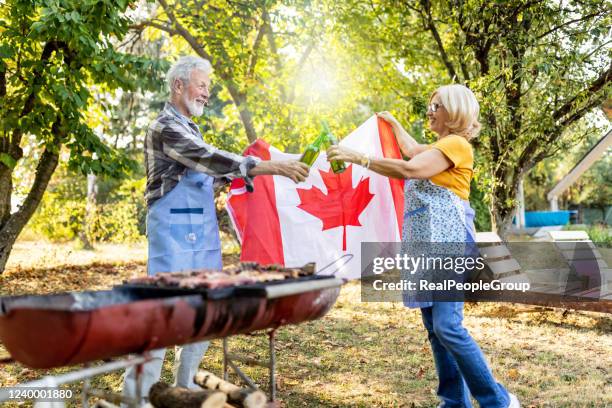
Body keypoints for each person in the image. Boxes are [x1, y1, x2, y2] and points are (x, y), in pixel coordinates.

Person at [122, 56, 309, 404]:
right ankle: (137, 397)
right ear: (179, 86)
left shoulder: (191, 127)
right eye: (202, 84)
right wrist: (267, 167)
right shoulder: (165, 126)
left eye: (209, 86)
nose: (207, 92)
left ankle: (185, 386)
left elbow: (211, 173)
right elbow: (204, 157)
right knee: (163, 312)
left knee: (206, 310)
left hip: (202, 233)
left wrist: (250, 172)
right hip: (172, 234)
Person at [327, 84, 520, 408]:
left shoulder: (457, 145)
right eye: (430, 106)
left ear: (455, 112)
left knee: (448, 326)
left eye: (437, 106)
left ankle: (498, 401)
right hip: (422, 247)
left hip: (447, 246)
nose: (430, 111)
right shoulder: (439, 146)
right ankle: (453, 402)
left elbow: (409, 168)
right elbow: (412, 150)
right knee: (435, 328)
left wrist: (357, 158)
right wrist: (393, 123)